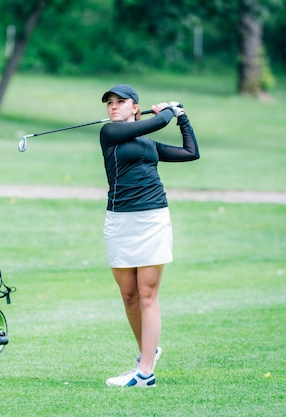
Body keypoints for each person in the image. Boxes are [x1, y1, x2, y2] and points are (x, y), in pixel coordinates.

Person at [98, 84, 199, 387]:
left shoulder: (149, 145)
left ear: (134, 107)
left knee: (146, 294)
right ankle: (148, 351)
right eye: (109, 103)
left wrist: (182, 117)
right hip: (120, 221)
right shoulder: (109, 133)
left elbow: (191, 153)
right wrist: (167, 110)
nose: (113, 107)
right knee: (128, 294)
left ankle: (145, 372)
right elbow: (158, 121)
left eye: (120, 102)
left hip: (153, 218)